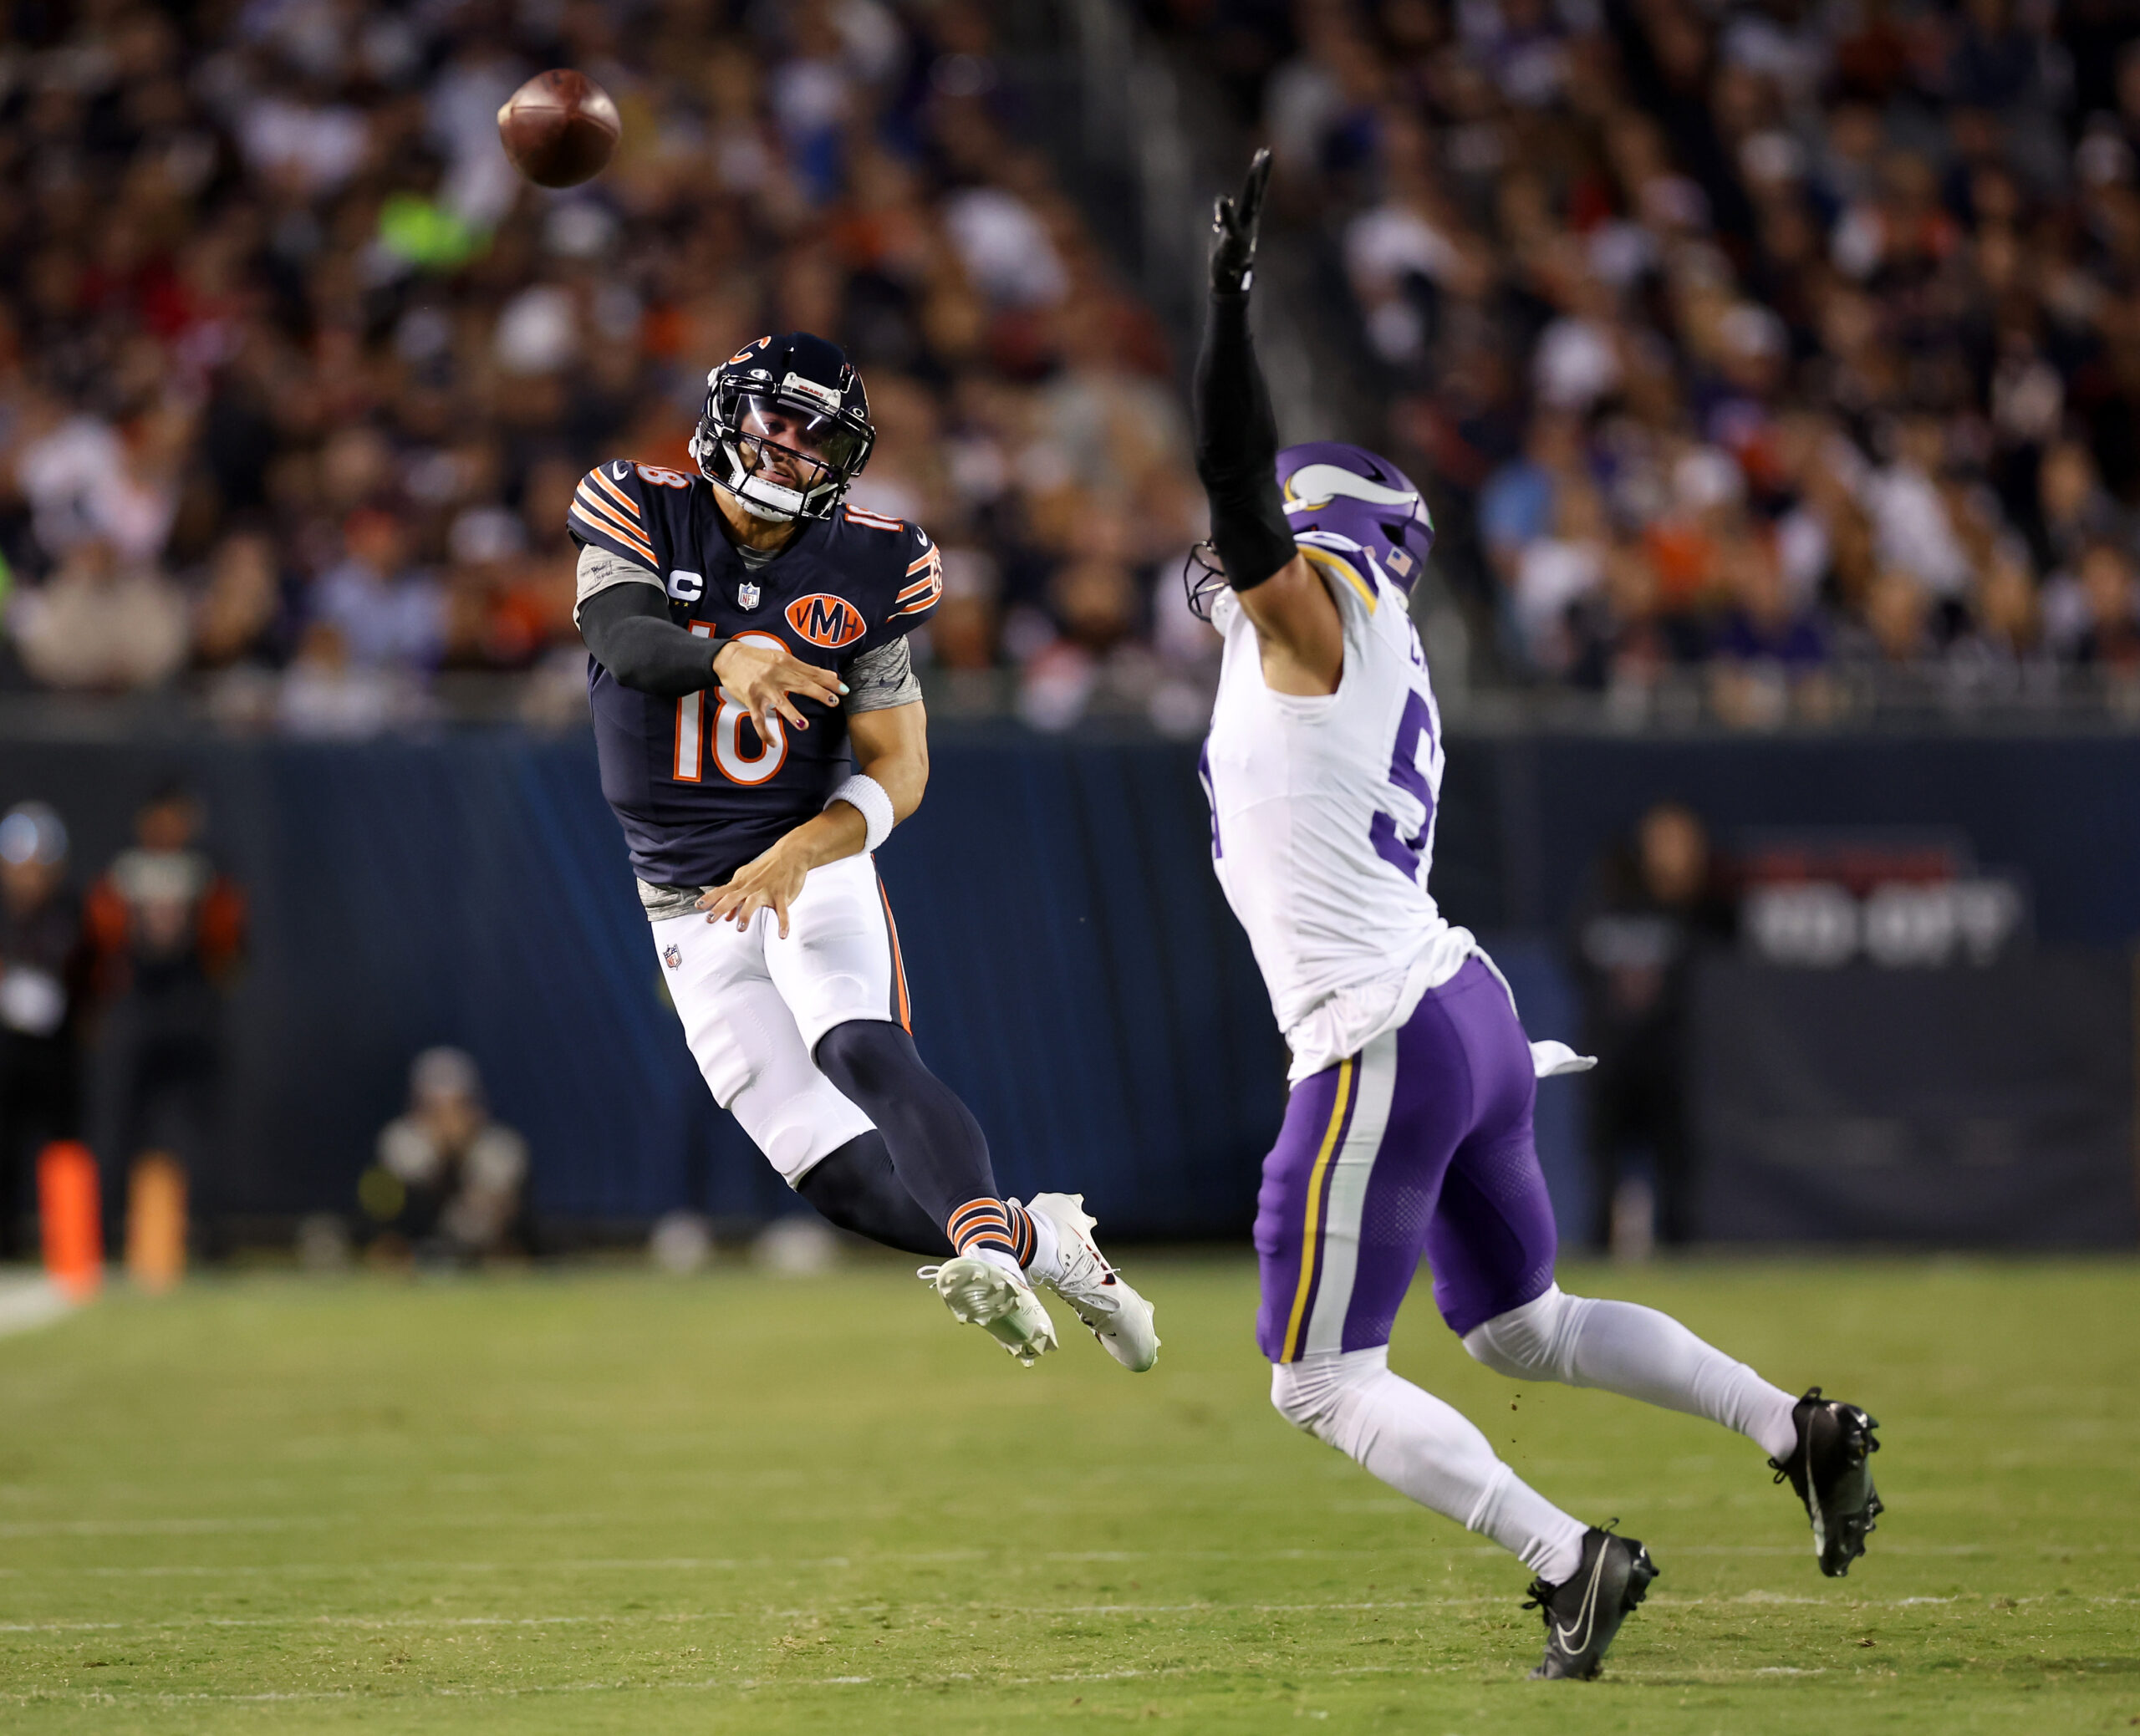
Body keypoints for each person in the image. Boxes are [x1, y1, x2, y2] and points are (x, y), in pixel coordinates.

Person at [1186, 153, 1881, 1682]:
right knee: (1517, 1327)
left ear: (1321, 536)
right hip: (1463, 1008)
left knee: (1317, 1377)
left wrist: (1226, 308)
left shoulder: (1314, 621)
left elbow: (1235, 489)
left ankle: (1569, 1558)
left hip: (1379, 1033)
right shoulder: (1379, 638)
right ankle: (1795, 1426)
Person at [569, 331, 1156, 1370]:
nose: (793, 452)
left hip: (805, 860)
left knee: (858, 1044)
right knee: (835, 1179)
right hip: (684, 905)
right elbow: (625, 641)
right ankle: (1044, 1244)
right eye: (778, 425)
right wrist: (727, 659)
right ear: (727, 415)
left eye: (817, 441)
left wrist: (812, 843)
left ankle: (982, 1242)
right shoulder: (638, 504)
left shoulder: (874, 565)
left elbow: (900, 767)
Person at [84, 782, 247, 1241]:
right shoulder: (130, 870)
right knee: (121, 1129)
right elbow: (101, 940)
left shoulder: (207, 871)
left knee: (198, 1134)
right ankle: (108, 1233)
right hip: (143, 1007)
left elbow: (229, 942)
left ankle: (207, 1232)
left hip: (187, 1010)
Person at [1572, 801, 1735, 1250]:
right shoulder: (1605, 891)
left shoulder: (1698, 906)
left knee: (1676, 1166)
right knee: (1603, 1166)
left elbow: (1731, 937)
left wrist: (1687, 891)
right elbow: (1574, 958)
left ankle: (1680, 1253)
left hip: (1667, 1059)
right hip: (1609, 1058)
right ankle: (1601, 1252)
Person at [0, 803, 87, 1260]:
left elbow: (78, 976)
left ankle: (71, 1251)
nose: (28, 877)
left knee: (64, 1147)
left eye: (37, 867)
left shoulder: (68, 913)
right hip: (6, 1052)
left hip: (56, 1051)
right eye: (19, 866)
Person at [360, 1048, 530, 1264]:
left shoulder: (499, 1147)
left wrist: (462, 1151)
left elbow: (495, 1213)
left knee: (504, 1255)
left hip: (478, 1248)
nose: (448, 1118)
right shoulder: (400, 1141)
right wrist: (442, 1151)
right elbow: (404, 1202)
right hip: (413, 1244)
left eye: (457, 1105)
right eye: (436, 1108)